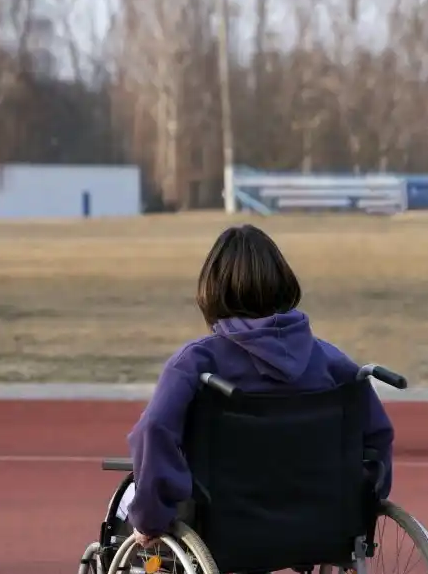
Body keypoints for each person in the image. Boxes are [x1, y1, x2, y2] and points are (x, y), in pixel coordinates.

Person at [116, 223, 394, 546]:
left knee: (126, 502)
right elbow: (376, 435)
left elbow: (154, 430)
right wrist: (366, 498)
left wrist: (150, 518)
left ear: (212, 290)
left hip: (225, 522)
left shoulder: (197, 362)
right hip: (319, 516)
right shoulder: (332, 362)